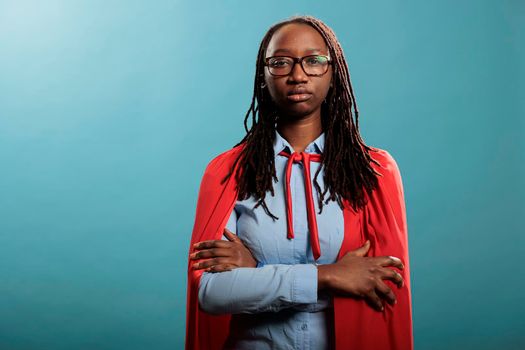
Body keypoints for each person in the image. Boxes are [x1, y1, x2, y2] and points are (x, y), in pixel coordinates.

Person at [185, 15, 413, 350]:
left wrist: (256, 271)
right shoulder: (227, 171)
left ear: (333, 73)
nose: (297, 75)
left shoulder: (373, 171)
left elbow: (381, 286)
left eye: (314, 61)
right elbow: (211, 293)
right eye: (280, 62)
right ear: (263, 76)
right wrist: (330, 276)